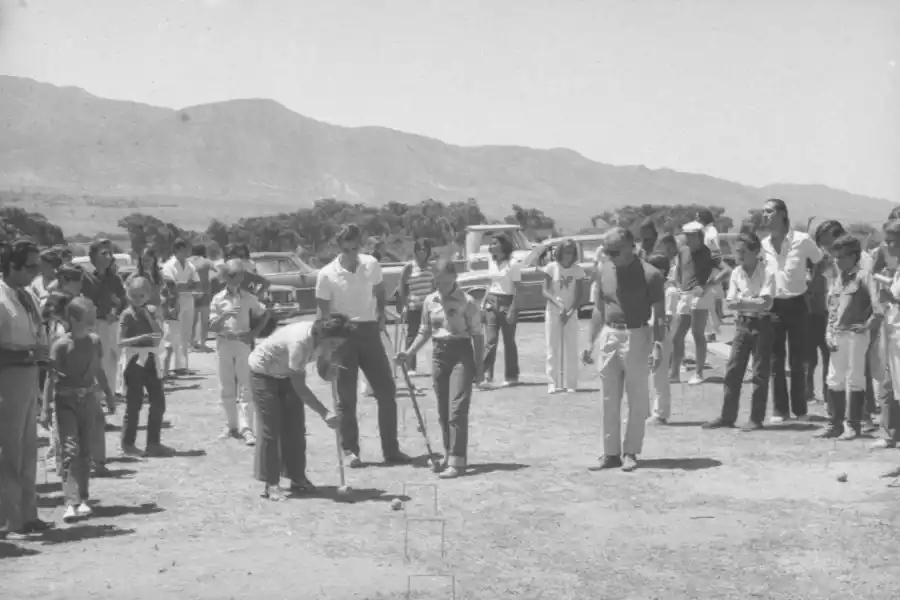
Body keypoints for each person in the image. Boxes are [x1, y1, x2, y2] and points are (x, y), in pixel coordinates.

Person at [315, 223, 410, 468]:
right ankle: (350, 450)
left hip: (369, 331)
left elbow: (380, 290)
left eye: (355, 248)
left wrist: (380, 313)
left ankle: (391, 450)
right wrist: (325, 348)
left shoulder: (371, 264)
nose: (351, 253)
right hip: (342, 335)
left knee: (387, 392)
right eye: (346, 249)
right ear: (339, 247)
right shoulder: (326, 274)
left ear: (360, 244)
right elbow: (323, 313)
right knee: (346, 398)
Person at [584, 228, 666, 472]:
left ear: (631, 247)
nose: (610, 256)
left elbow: (659, 315)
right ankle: (610, 453)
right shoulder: (603, 269)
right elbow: (599, 308)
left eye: (615, 252)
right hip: (610, 333)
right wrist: (591, 341)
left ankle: (631, 451)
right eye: (607, 251)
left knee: (637, 397)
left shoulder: (651, 275)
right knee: (608, 397)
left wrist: (657, 345)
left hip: (637, 334)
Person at [397, 258, 485, 478]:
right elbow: (424, 330)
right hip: (438, 355)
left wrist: (480, 367)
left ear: (455, 278)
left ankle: (458, 462)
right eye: (438, 283)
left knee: (457, 409)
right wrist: (409, 353)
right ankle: (448, 455)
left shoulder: (467, 301)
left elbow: (478, 335)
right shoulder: (430, 301)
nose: (442, 287)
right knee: (443, 409)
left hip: (461, 353)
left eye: (445, 282)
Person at [248, 317, 347, 501]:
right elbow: (300, 387)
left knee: (295, 427)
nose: (335, 348)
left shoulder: (323, 342)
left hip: (286, 373)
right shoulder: (299, 343)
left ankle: (297, 478)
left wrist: (329, 372)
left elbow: (322, 368)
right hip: (263, 373)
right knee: (271, 428)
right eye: (333, 343)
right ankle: (271, 484)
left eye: (338, 344)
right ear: (322, 336)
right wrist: (324, 413)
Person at [39, 296, 114, 523]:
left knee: (86, 449)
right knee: (70, 449)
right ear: (73, 318)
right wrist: (45, 408)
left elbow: (99, 370)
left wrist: (109, 395)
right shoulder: (61, 345)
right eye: (88, 316)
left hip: (89, 399)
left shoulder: (94, 341)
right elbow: (51, 379)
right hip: (66, 401)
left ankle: (83, 499)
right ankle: (70, 501)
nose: (92, 320)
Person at [0, 239, 54, 539]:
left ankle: (27, 514)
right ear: (12, 266)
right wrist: (25, 355)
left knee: (27, 449)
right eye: (31, 266)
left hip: (29, 377)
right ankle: (8, 520)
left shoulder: (27, 296)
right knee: (7, 451)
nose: (36, 272)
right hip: (6, 379)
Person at [703, 233, 774, 431]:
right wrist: (751, 301)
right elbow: (730, 303)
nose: (738, 256)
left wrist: (743, 301)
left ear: (755, 252)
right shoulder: (736, 273)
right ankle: (727, 416)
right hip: (743, 324)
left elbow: (766, 303)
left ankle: (756, 418)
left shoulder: (768, 273)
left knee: (760, 373)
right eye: (737, 251)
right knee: (733, 370)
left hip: (763, 324)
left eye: (743, 251)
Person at [761, 198, 824, 423]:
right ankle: (780, 410)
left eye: (768, 211)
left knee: (798, 360)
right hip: (773, 306)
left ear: (782, 214)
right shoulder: (764, 244)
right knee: (775, 360)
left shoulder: (802, 240)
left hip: (797, 304)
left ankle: (800, 410)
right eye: (763, 212)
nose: (764, 216)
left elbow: (820, 260)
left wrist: (812, 282)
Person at [815, 235, 882, 440]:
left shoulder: (864, 276)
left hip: (856, 335)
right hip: (837, 334)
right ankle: (834, 424)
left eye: (841, 257)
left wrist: (866, 327)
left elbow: (877, 308)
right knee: (834, 378)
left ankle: (854, 424)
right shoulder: (838, 279)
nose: (836, 261)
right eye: (835, 257)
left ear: (853, 256)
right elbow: (832, 309)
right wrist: (829, 332)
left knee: (855, 378)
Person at [209, 259, 269, 446]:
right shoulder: (218, 299)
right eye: (233, 275)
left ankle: (247, 428)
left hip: (243, 343)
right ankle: (231, 425)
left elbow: (265, 313)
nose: (237, 279)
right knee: (227, 385)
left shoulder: (249, 297)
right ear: (226, 277)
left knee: (246, 386)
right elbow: (211, 326)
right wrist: (225, 315)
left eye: (239, 275)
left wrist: (254, 333)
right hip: (224, 342)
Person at [669, 221, 730, 385]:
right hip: (685, 295)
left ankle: (698, 372)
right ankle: (674, 373)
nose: (687, 239)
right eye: (686, 235)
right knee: (677, 335)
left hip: (701, 295)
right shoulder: (683, 251)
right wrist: (680, 287)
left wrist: (708, 285)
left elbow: (727, 270)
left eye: (690, 236)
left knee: (697, 333)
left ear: (699, 236)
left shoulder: (710, 253)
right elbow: (681, 270)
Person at [118, 277, 172, 457]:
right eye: (134, 295)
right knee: (134, 403)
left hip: (150, 357)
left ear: (148, 295)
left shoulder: (151, 310)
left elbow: (158, 334)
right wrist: (139, 339)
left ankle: (153, 443)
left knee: (158, 401)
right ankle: (128, 443)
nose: (137, 299)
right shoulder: (126, 314)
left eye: (141, 295)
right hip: (134, 359)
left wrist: (148, 315)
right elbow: (120, 341)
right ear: (128, 294)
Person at [80, 241, 126, 401]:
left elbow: (122, 299)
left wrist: (114, 311)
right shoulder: (86, 280)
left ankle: (110, 396)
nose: (108, 257)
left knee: (111, 361)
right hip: (94, 325)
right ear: (92, 257)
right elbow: (84, 304)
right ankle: (95, 399)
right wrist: (101, 312)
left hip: (111, 325)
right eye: (103, 253)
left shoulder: (115, 280)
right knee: (96, 361)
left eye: (110, 254)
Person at [871, 218, 900, 450]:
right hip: (893, 333)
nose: (886, 246)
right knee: (891, 385)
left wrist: (892, 298)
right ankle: (892, 434)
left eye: (891, 241)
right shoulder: (897, 267)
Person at [541, 238, 584, 393]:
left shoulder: (577, 270)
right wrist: (558, 305)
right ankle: (553, 382)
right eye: (566, 251)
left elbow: (579, 294)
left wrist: (570, 310)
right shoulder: (551, 268)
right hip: (553, 312)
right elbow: (545, 291)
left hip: (571, 313)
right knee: (552, 347)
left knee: (572, 347)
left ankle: (571, 383)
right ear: (560, 252)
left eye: (571, 252)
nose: (568, 255)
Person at [482, 234, 523, 387]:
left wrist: (513, 308)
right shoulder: (491, 262)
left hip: (508, 301)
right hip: (491, 301)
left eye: (494, 243)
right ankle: (485, 375)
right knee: (490, 341)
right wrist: (484, 301)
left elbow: (518, 288)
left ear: (503, 245)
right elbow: (490, 284)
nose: (491, 246)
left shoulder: (513, 264)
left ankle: (512, 376)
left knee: (509, 341)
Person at [646, 234, 678, 425]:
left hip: (661, 333)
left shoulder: (669, 291)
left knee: (659, 374)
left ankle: (661, 412)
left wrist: (657, 341)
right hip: (648, 331)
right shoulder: (651, 288)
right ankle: (648, 410)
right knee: (650, 373)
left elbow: (665, 317)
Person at [397, 239, 436, 376]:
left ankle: (435, 365)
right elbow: (402, 287)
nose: (422, 252)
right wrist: (404, 305)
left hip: (429, 307)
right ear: (415, 251)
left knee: (433, 334)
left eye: (424, 249)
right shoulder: (409, 267)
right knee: (412, 335)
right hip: (414, 305)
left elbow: (435, 286)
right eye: (419, 249)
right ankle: (410, 367)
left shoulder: (432, 267)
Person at [161, 239, 200, 375]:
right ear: (178, 250)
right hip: (175, 301)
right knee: (174, 333)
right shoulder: (169, 265)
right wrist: (185, 285)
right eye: (185, 249)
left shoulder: (190, 265)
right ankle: (171, 367)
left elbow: (196, 283)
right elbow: (172, 285)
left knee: (186, 333)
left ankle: (182, 365)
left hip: (189, 299)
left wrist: (184, 285)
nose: (187, 252)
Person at [698, 209, 724, 339]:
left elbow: (715, 250)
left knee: (709, 299)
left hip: (710, 268)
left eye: (698, 218)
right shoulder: (705, 231)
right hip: (705, 267)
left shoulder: (711, 232)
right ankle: (711, 330)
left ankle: (712, 331)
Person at [189, 244, 216, 351]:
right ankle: (203, 344)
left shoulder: (187, 261)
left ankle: (191, 344)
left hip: (191, 293)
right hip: (204, 293)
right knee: (204, 321)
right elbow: (217, 271)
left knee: (193, 321)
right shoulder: (207, 261)